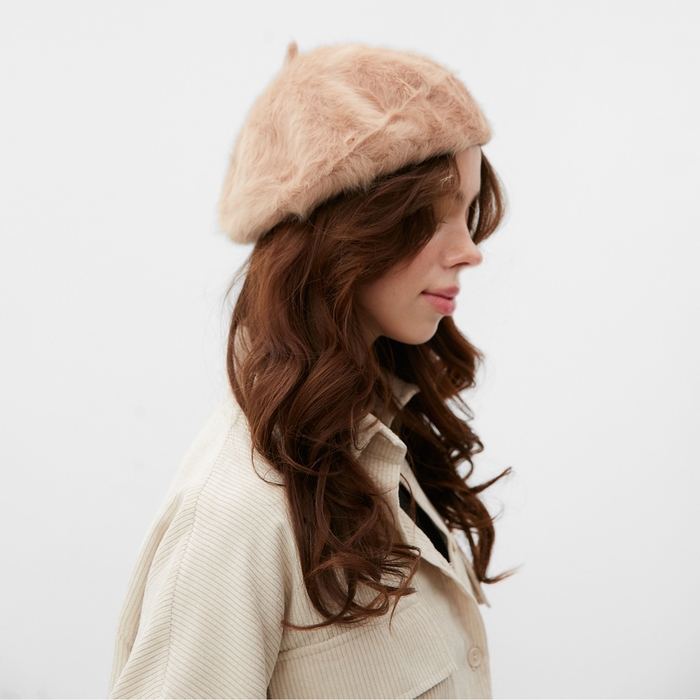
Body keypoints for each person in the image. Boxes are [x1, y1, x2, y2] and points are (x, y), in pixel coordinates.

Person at [109, 41, 509, 699]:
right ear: (344, 229)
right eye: (433, 215)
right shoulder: (237, 515)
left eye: (467, 213)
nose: (470, 251)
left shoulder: (379, 445)